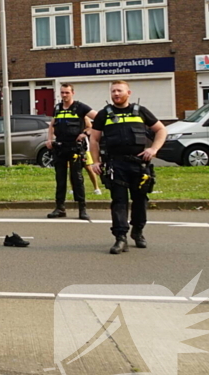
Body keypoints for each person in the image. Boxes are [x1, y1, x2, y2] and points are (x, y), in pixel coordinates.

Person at [88, 81, 167, 255]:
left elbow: (161, 130)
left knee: (140, 200)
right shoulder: (104, 114)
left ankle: (137, 232)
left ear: (128, 93)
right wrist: (95, 161)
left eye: (119, 91)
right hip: (116, 164)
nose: (116, 94)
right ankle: (120, 237)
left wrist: (153, 149)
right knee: (119, 201)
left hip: (139, 165)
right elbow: (94, 139)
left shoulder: (140, 111)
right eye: (113, 91)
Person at [46, 83, 98, 221]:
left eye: (67, 93)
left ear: (72, 93)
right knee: (60, 179)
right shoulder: (57, 107)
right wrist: (49, 139)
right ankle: (60, 208)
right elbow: (52, 125)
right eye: (62, 93)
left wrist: (85, 133)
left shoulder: (80, 107)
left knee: (77, 179)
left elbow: (98, 119)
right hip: (60, 148)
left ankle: (82, 209)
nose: (64, 95)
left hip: (75, 148)